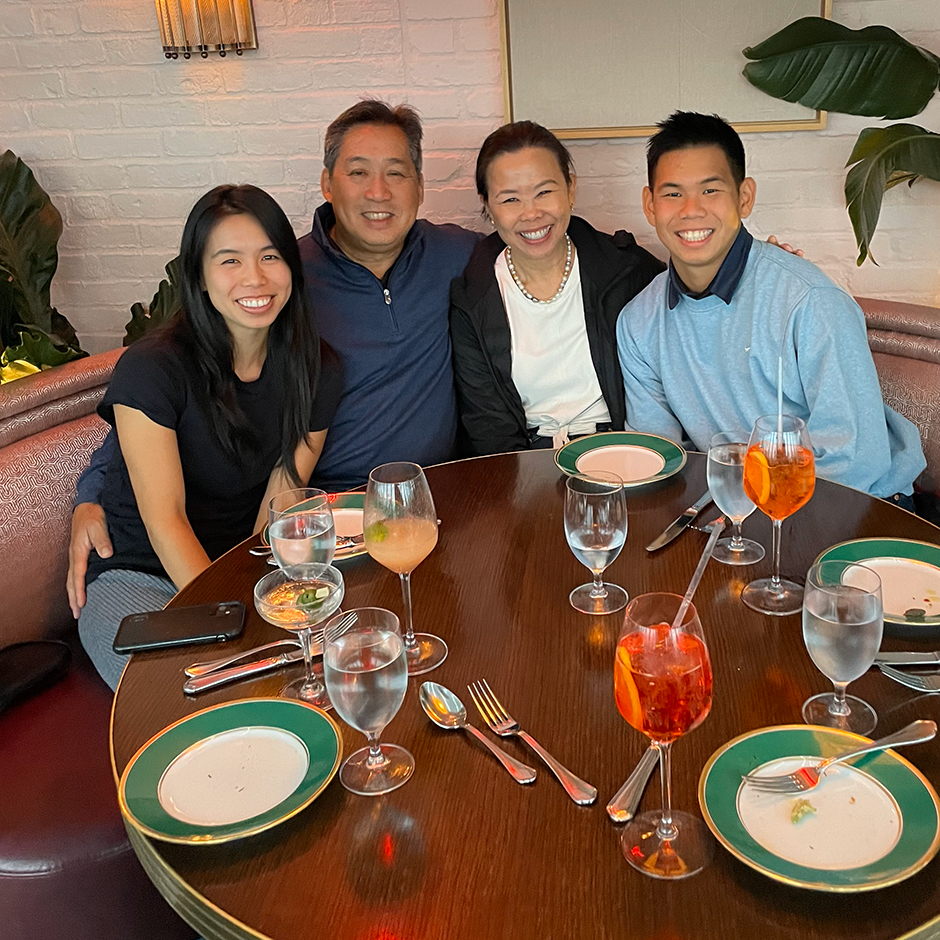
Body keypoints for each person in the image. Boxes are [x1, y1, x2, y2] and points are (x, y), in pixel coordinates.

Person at [67, 100, 481, 620]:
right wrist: (91, 492)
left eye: (396, 173)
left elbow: (541, 235)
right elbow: (149, 407)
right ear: (327, 183)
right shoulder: (287, 279)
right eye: (358, 173)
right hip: (311, 526)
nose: (379, 192)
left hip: (403, 513)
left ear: (420, 185)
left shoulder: (457, 257)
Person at [77, 185, 342, 689]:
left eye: (270, 256)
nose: (255, 277)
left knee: (316, 672)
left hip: (236, 568)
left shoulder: (316, 367)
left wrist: (264, 597)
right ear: (197, 276)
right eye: (229, 261)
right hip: (140, 575)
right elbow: (165, 521)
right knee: (185, 700)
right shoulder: (153, 369)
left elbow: (280, 502)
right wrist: (235, 619)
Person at [616, 111, 925, 502]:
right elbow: (658, 458)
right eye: (673, 193)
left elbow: (855, 461)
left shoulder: (809, 301)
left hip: (860, 504)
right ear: (650, 205)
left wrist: (751, 519)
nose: (690, 209)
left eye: (711, 190)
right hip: (733, 509)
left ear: (744, 197)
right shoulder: (638, 322)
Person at [449, 121, 666, 455]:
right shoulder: (472, 298)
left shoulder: (626, 272)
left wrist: (760, 270)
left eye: (544, 192)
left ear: (571, 189)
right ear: (488, 206)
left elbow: (690, 312)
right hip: (526, 461)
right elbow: (489, 428)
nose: (532, 213)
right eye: (510, 199)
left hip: (620, 453)